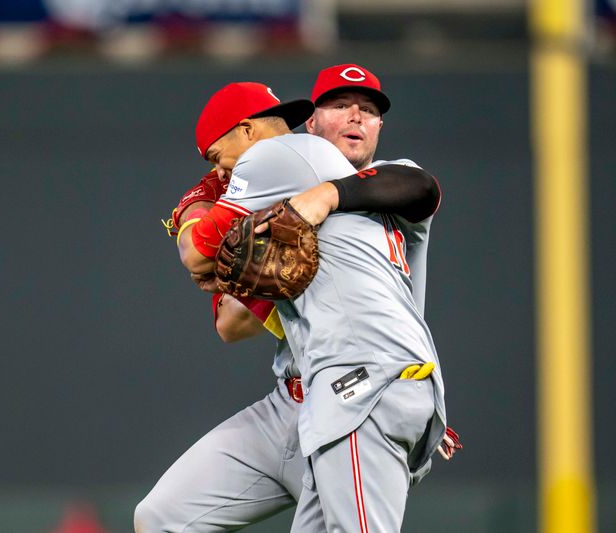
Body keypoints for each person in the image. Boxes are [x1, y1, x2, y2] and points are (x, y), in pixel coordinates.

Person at [177, 74, 448, 532]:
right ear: (311, 122)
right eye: (340, 104)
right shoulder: (288, 186)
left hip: (365, 381)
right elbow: (231, 320)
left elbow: (422, 186)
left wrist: (193, 214)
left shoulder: (382, 181)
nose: (357, 114)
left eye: (369, 108)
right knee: (165, 516)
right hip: (318, 397)